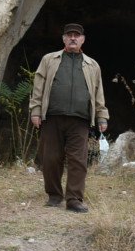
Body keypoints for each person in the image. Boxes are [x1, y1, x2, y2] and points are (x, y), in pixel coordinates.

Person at [28, 22, 108, 213]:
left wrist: (102, 117)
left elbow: (99, 93)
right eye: (69, 35)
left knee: (78, 160)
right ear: (63, 38)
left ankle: (74, 199)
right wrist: (35, 110)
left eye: (77, 36)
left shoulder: (92, 65)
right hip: (52, 117)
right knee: (51, 158)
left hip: (80, 120)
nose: (73, 38)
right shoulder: (50, 60)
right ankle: (54, 196)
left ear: (82, 40)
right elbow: (38, 87)